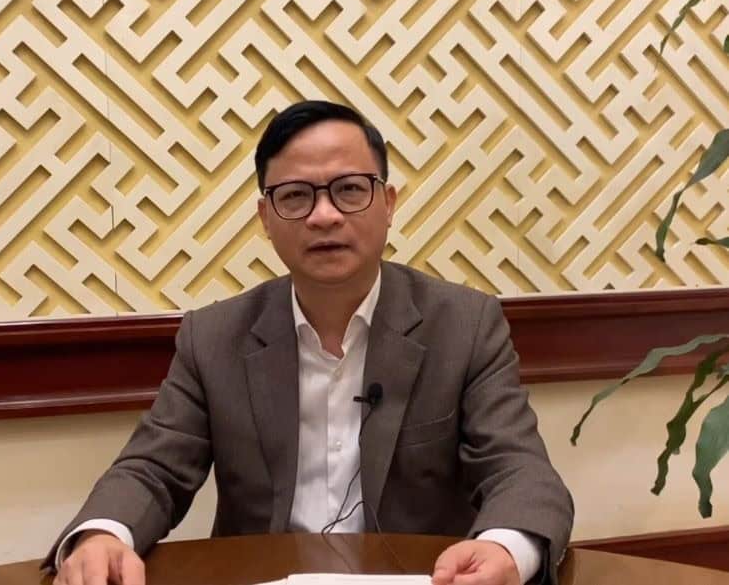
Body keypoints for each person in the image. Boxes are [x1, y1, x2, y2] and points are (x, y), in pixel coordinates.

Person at [44, 100, 573, 585]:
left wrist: (505, 551)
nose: (325, 215)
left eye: (350, 189)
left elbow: (520, 471)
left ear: (388, 204)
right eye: (296, 196)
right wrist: (103, 534)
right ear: (266, 219)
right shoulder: (213, 337)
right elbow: (152, 468)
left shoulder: (464, 324)